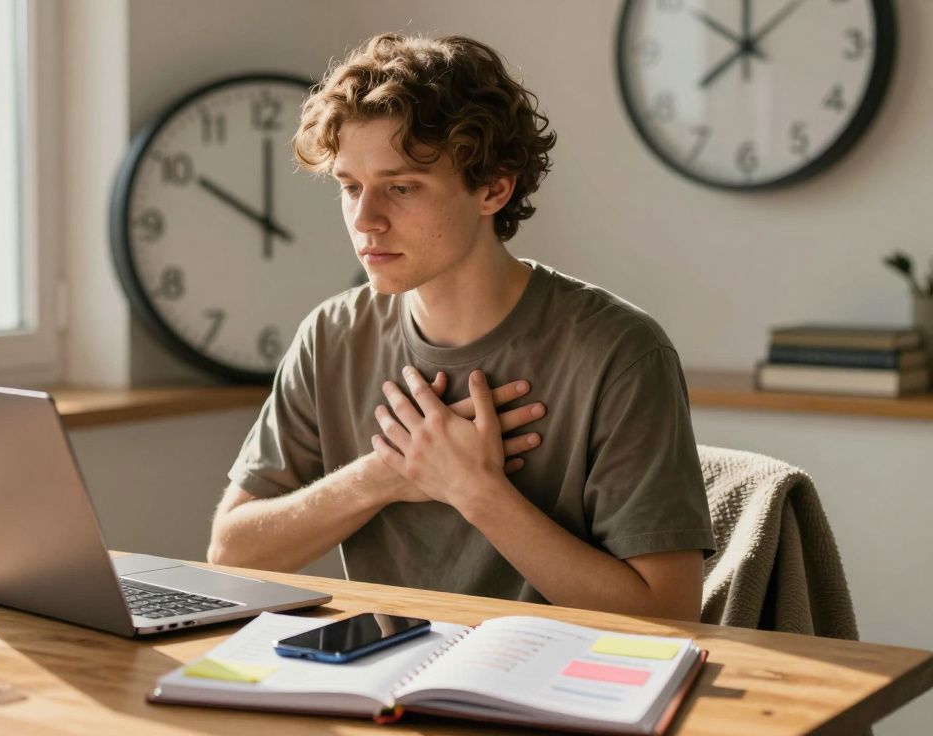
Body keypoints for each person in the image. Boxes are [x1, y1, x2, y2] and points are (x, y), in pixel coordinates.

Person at [208, 33, 714, 621]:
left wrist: (477, 491)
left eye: (401, 187)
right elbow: (231, 552)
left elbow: (668, 615)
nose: (365, 220)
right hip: (385, 681)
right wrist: (385, 474)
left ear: (493, 188)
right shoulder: (331, 337)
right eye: (350, 187)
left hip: (563, 692)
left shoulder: (620, 352)